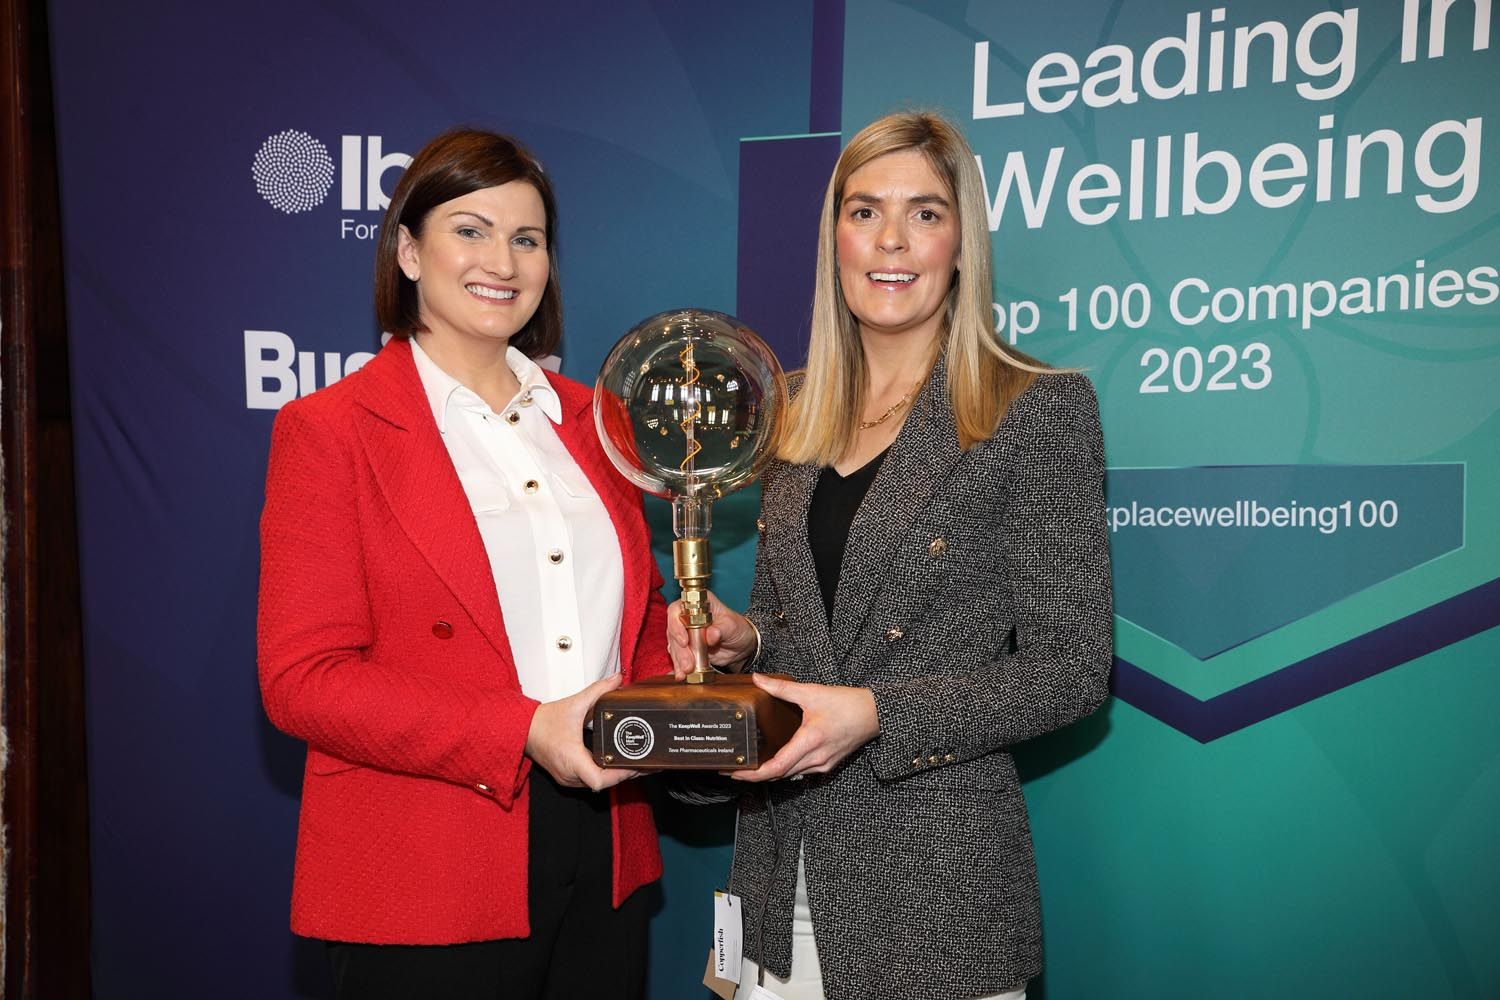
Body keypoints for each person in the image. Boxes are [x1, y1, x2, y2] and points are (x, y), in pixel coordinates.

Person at [667, 112, 1113, 1000]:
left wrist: (878, 713)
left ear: (962, 240)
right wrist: (743, 645)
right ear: (834, 235)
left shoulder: (1037, 408)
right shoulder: (788, 411)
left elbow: (1072, 670)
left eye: (926, 212)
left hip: (934, 898)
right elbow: (806, 627)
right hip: (773, 881)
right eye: (865, 211)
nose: (893, 241)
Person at [258, 128, 669, 1000]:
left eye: (527, 238)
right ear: (409, 250)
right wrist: (524, 728)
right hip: (426, 864)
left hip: (604, 850)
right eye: (471, 230)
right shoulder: (328, 432)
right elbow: (303, 678)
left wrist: (697, 663)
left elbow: (634, 623)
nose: (503, 260)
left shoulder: (600, 422)